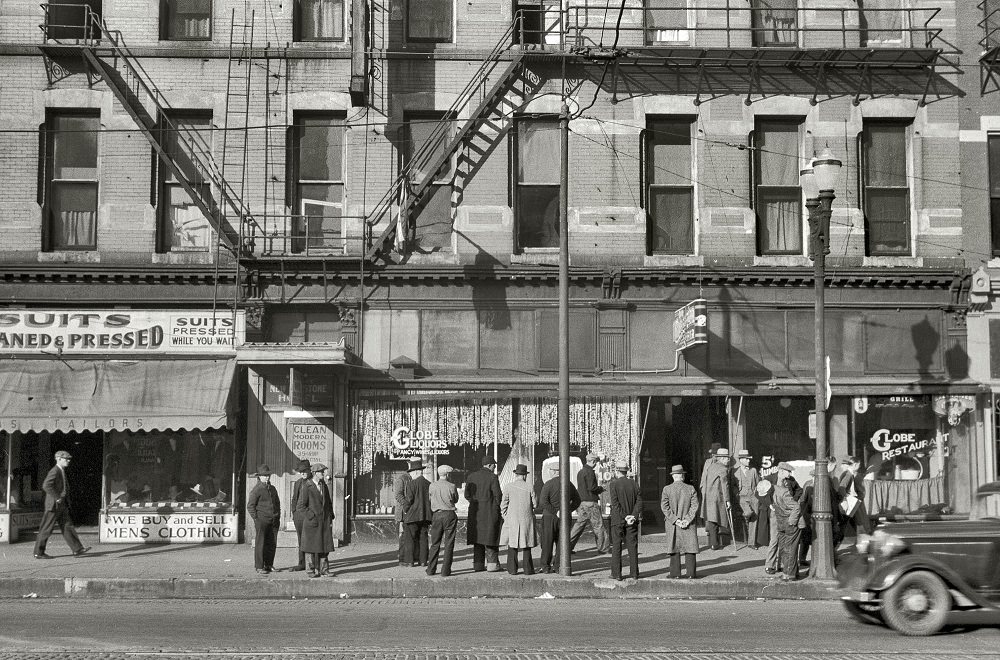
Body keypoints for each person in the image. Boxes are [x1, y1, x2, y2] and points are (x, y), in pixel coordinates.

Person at [33, 450, 89, 560]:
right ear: (58, 459)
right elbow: (46, 486)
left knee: (67, 526)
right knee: (46, 529)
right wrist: (57, 497)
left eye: (69, 459)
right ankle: (38, 552)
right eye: (66, 459)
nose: (68, 461)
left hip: (61, 505)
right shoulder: (55, 471)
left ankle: (77, 549)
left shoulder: (61, 470)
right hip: (53, 505)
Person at [538, 463, 580, 573]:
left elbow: (543, 502)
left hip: (549, 517)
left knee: (547, 542)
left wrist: (555, 511)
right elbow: (577, 501)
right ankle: (558, 566)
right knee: (562, 543)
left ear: (554, 471)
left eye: (550, 470)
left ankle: (545, 566)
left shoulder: (548, 484)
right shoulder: (569, 484)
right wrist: (567, 510)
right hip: (565, 518)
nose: (549, 472)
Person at [464, 456, 503, 572]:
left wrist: (474, 502)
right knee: (491, 538)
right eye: (494, 466)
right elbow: (498, 495)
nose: (494, 468)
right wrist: (496, 506)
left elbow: (467, 495)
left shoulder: (471, 476)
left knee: (478, 539)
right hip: (490, 513)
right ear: (490, 465)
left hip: (475, 513)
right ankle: (492, 565)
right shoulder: (492, 477)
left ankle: (478, 565)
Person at [661, 464, 699, 579]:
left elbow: (664, 507)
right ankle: (691, 574)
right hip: (688, 523)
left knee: (674, 547)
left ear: (673, 476)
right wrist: (687, 520)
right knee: (690, 547)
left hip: (673, 524)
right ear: (682, 476)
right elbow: (695, 506)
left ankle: (675, 573)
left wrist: (675, 520)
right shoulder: (690, 488)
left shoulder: (666, 489)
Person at [297, 462, 335, 577]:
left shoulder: (323, 485)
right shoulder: (307, 486)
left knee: (324, 546)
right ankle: (310, 570)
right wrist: (311, 516)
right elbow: (300, 506)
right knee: (310, 547)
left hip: (324, 521)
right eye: (321, 471)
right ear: (315, 473)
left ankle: (324, 569)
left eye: (323, 471)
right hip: (312, 522)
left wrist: (330, 516)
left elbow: (328, 502)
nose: (324, 473)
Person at [499, 463, 537, 575]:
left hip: (512, 519)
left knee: (512, 544)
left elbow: (503, 504)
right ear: (525, 475)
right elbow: (535, 504)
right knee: (527, 544)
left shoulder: (508, 487)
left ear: (516, 474)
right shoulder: (530, 487)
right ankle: (528, 569)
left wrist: (505, 516)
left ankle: (512, 569)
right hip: (526, 519)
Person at [569, 453, 609, 555]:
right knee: (598, 526)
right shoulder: (590, 472)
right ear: (594, 461)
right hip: (591, 503)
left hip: (582, 503)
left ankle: (567, 547)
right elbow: (592, 488)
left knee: (578, 526)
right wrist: (601, 488)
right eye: (596, 462)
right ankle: (603, 548)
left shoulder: (581, 472)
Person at [608, 461, 641, 581]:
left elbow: (615, 504)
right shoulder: (634, 483)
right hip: (632, 520)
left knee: (617, 546)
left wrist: (624, 516)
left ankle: (617, 573)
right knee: (632, 546)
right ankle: (634, 573)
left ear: (617, 471)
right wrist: (633, 515)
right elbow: (639, 502)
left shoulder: (613, 484)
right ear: (626, 471)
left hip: (618, 520)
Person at [246, 463, 281, 575]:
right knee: (260, 543)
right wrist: (256, 518)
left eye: (268, 475)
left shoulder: (272, 489)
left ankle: (269, 564)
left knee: (272, 543)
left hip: (273, 520)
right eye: (264, 475)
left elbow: (277, 503)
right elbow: (250, 506)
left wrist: (277, 515)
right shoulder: (257, 490)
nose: (267, 477)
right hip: (262, 520)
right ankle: (259, 566)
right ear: (259, 477)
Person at [772, 461, 803, 582]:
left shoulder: (783, 489)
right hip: (782, 519)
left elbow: (795, 506)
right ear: (780, 471)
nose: (790, 474)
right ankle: (791, 572)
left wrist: (791, 521)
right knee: (786, 548)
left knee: (790, 549)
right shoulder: (773, 483)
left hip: (789, 520)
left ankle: (789, 574)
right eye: (788, 471)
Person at [426, 464, 459, 577]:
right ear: (448, 474)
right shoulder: (452, 486)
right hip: (449, 514)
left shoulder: (432, 486)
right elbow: (455, 499)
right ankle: (445, 571)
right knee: (449, 543)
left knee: (435, 543)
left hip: (437, 515)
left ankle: (431, 569)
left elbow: (430, 499)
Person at [700, 447, 732, 550]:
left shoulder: (711, 466)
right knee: (717, 518)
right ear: (722, 458)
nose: (729, 460)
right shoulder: (723, 469)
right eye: (727, 458)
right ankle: (716, 543)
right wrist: (727, 500)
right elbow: (725, 485)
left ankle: (714, 543)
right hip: (718, 497)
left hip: (709, 496)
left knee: (712, 519)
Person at [402, 459, 432, 567]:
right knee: (423, 538)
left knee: (410, 539)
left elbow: (409, 500)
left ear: (415, 472)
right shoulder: (429, 484)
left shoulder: (412, 484)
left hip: (412, 516)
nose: (411, 475)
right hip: (425, 516)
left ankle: (410, 561)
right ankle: (423, 561)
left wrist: (405, 510)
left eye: (411, 473)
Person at [732, 449, 760, 549]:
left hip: (753, 497)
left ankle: (751, 543)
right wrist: (737, 493)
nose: (748, 461)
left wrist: (757, 494)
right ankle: (744, 516)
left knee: (754, 519)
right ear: (741, 460)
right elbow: (733, 486)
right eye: (746, 459)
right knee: (748, 513)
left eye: (749, 459)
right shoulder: (735, 471)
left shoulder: (753, 471)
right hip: (742, 497)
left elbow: (758, 483)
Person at [839, 456, 873, 537]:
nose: (859, 467)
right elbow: (842, 488)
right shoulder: (849, 474)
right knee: (856, 521)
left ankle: (864, 535)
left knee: (852, 522)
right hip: (851, 502)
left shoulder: (849, 474)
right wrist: (847, 498)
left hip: (852, 502)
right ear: (855, 465)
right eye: (858, 465)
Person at [289, 459, 312, 571]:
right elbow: (294, 498)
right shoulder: (298, 482)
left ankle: (312, 564)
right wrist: (294, 513)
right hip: (299, 516)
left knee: (311, 540)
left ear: (309, 470)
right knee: (301, 540)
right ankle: (302, 563)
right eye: (300, 471)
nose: (302, 473)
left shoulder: (313, 481)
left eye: (304, 471)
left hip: (309, 516)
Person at [393, 459, 416, 567]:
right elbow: (398, 495)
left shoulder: (408, 478)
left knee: (406, 536)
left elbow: (399, 494)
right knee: (403, 536)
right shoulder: (403, 479)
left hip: (407, 512)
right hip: (403, 512)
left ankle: (405, 557)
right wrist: (407, 505)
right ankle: (403, 558)